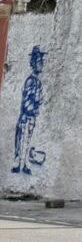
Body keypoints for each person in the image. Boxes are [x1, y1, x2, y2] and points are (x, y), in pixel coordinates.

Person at [11, 46, 45, 175]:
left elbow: (40, 98)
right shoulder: (31, 81)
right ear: (33, 64)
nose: (41, 65)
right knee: (21, 141)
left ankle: (24, 164)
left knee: (28, 140)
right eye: (38, 62)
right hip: (26, 116)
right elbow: (28, 102)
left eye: (42, 62)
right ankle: (18, 164)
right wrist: (35, 101)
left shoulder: (38, 82)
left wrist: (37, 100)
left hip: (32, 117)